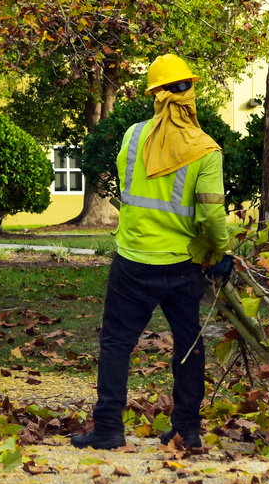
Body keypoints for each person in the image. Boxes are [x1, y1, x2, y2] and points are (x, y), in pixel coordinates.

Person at [73, 53, 230, 451]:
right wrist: (221, 252)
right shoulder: (206, 149)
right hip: (182, 266)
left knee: (116, 344)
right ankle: (186, 430)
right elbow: (212, 215)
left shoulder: (132, 136)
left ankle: (108, 427)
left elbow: (127, 194)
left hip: (132, 261)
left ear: (155, 95)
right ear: (189, 92)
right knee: (188, 345)